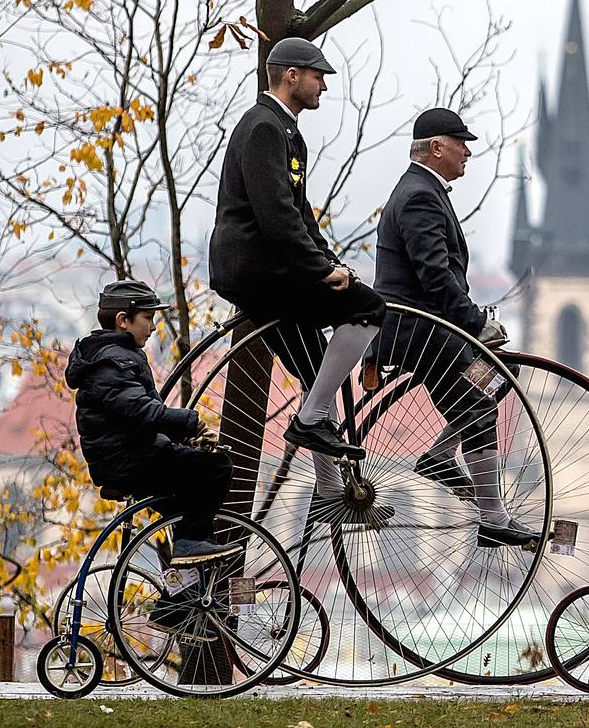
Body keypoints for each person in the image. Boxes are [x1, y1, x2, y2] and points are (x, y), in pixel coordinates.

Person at [209, 37, 389, 520]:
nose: (324, 86)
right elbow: (276, 219)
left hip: (267, 269)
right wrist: (319, 271)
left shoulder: (286, 133)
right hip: (259, 269)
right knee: (368, 307)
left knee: (317, 378)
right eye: (318, 76)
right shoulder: (265, 128)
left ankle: (332, 493)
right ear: (291, 75)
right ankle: (311, 421)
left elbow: (301, 217)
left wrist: (331, 264)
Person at [372, 108, 535, 549]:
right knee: (477, 408)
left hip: (428, 328)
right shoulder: (420, 195)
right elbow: (435, 276)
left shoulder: (424, 190)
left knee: (500, 374)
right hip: (417, 332)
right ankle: (493, 518)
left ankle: (442, 455)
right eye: (460, 142)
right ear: (436, 147)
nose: (467, 150)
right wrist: (477, 322)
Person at [66, 279, 237, 568]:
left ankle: (173, 605)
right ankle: (188, 545)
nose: (154, 326)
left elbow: (139, 419)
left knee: (187, 508)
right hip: (129, 460)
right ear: (123, 320)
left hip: (129, 455)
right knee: (216, 468)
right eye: (147, 318)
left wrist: (184, 440)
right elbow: (142, 411)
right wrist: (191, 424)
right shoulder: (113, 361)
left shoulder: (114, 356)